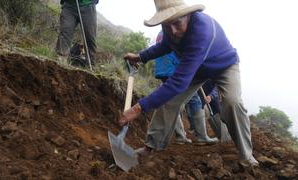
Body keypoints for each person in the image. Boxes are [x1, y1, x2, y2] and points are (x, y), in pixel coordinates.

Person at [120, 0, 259, 166]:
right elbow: (165, 45)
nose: (172, 30)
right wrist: (141, 56)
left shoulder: (202, 30)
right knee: (169, 100)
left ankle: (247, 156)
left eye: (177, 23)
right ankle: (149, 148)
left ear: (188, 15)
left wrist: (138, 108)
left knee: (232, 102)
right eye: (167, 25)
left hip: (224, 65)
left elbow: (178, 82)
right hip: (198, 67)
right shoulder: (170, 28)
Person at [154, 31, 218, 145]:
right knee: (192, 101)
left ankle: (181, 136)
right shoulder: (177, 31)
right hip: (174, 69)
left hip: (163, 70)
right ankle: (201, 136)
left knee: (175, 100)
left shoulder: (164, 31)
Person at [55, 0, 98, 65]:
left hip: (88, 6)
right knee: (66, 30)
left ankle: (91, 63)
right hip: (69, 6)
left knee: (90, 36)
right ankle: (61, 59)